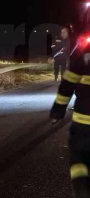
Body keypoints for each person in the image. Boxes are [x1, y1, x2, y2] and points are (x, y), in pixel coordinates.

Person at [50, 34, 90, 197]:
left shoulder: (83, 50)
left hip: (84, 122)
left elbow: (67, 84)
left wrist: (58, 111)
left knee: (78, 156)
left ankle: (81, 187)